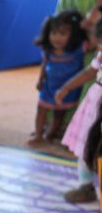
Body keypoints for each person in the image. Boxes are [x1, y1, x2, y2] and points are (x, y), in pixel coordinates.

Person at [59, 11, 102, 202]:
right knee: (87, 144)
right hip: (96, 104)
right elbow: (90, 71)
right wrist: (66, 87)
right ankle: (86, 186)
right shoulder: (100, 55)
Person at [31, 10, 87, 145]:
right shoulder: (48, 50)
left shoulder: (78, 50)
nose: (57, 38)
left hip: (68, 89)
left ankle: (50, 134)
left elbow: (94, 40)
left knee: (59, 113)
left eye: (63, 34)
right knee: (41, 109)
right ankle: (38, 134)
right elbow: (44, 65)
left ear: (72, 35)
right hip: (49, 86)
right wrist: (40, 80)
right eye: (54, 33)